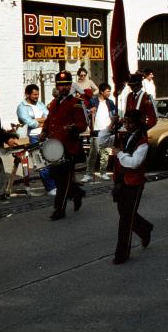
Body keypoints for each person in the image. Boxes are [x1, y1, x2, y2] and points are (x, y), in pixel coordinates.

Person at [99, 109, 153, 265]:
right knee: (124, 213)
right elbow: (101, 142)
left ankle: (122, 253)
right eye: (126, 122)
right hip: (120, 181)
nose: (127, 125)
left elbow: (134, 163)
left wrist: (119, 154)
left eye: (131, 123)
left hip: (134, 183)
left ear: (137, 123)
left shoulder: (142, 141)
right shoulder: (120, 135)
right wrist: (111, 124)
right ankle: (145, 229)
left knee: (126, 219)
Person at [42, 71, 89, 220]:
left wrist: (73, 127)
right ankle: (77, 193)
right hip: (54, 148)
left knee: (63, 181)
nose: (64, 87)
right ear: (57, 86)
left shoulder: (76, 102)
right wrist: (44, 131)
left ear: (71, 85)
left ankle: (59, 210)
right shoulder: (54, 103)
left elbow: (83, 124)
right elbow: (50, 120)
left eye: (67, 84)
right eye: (61, 85)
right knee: (57, 177)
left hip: (69, 147)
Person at [17, 84, 56, 195]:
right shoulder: (22, 107)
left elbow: (49, 118)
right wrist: (40, 121)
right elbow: (29, 123)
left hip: (45, 134)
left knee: (51, 160)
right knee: (40, 162)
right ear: (28, 94)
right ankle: (50, 187)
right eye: (34, 94)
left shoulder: (40, 104)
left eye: (38, 94)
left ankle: (54, 184)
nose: (36, 96)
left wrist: (39, 121)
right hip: (33, 137)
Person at [83, 83, 117, 183]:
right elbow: (85, 113)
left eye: (110, 91)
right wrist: (90, 111)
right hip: (96, 131)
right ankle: (88, 174)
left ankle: (103, 172)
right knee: (93, 153)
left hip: (106, 131)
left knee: (105, 153)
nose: (109, 93)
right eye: (107, 91)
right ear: (102, 92)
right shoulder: (93, 101)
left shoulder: (110, 102)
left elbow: (114, 115)